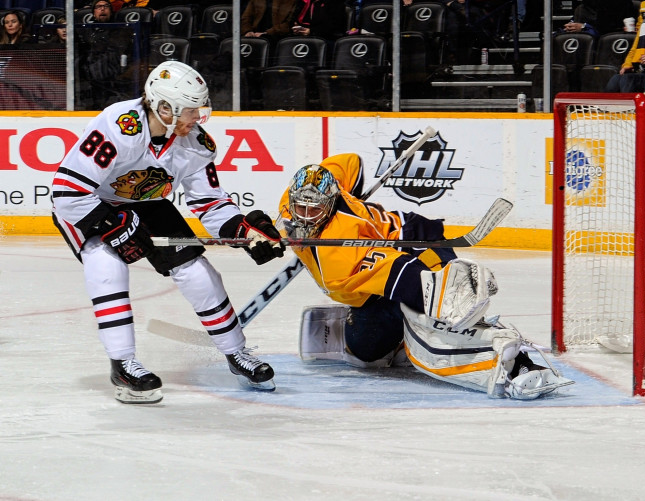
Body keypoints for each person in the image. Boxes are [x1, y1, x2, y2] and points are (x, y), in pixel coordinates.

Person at [51, 61, 286, 404]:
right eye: (192, 110)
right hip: (90, 205)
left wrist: (243, 229)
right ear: (164, 108)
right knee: (106, 266)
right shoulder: (120, 126)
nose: (198, 118)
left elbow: (208, 202)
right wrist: (113, 225)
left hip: (147, 202)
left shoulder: (196, 145)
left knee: (198, 271)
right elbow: (67, 191)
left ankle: (237, 354)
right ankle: (123, 364)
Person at [276, 156, 573, 400]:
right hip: (380, 265)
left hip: (415, 241)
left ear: (330, 203)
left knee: (439, 311)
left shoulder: (340, 258)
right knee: (365, 355)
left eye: (314, 209)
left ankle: (512, 359)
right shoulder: (292, 204)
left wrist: (444, 292)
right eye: (300, 207)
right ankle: (407, 335)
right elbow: (350, 162)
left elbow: (402, 273)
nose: (304, 216)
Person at [76, 0, 138, 110]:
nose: (102, 9)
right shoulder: (86, 31)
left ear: (111, 11)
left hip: (113, 78)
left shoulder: (120, 30)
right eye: (99, 7)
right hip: (90, 79)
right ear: (94, 12)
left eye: (106, 6)